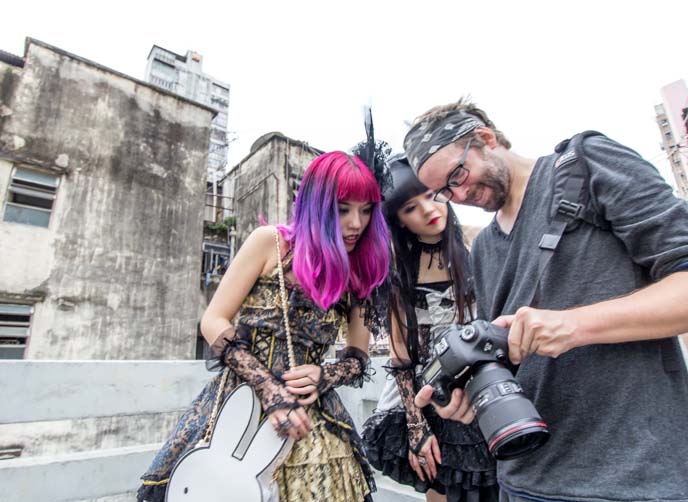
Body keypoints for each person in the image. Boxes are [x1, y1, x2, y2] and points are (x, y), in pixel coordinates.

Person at [403, 98, 688, 502]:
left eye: (458, 174)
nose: (460, 192)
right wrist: (468, 392)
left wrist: (573, 325)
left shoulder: (586, 164)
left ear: (486, 139)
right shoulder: (482, 247)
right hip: (523, 478)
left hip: (632, 478)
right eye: (445, 190)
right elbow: (509, 351)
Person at [137, 151, 390, 502]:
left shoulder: (358, 269)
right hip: (239, 404)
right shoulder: (269, 242)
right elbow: (212, 320)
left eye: (365, 210)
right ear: (317, 205)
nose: (356, 223)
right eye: (343, 208)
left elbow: (359, 355)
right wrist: (270, 390)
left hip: (312, 418)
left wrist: (324, 376)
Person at [361, 156, 499, 502]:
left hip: (488, 393)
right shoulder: (398, 271)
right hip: (430, 404)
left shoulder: (481, 243)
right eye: (410, 207)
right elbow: (401, 356)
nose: (428, 209)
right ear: (400, 221)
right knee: (443, 488)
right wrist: (416, 428)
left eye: (431, 195)